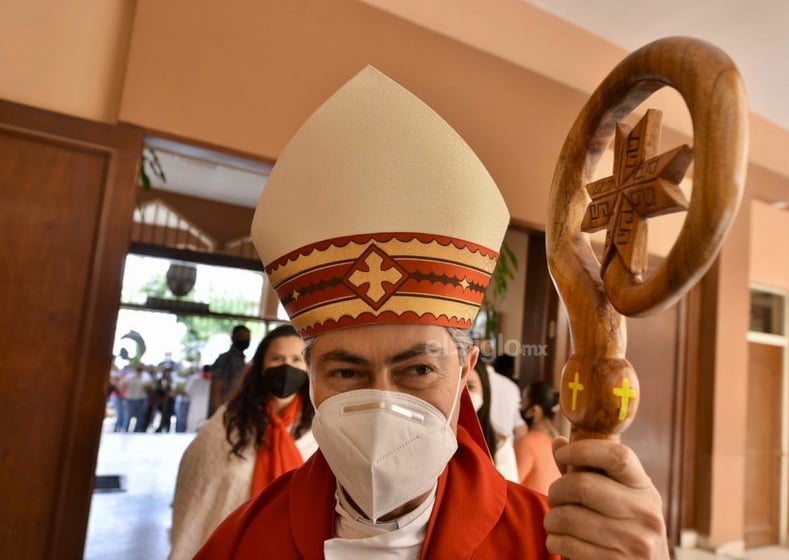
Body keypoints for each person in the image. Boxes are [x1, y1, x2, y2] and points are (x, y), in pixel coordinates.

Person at [195, 66, 668, 559]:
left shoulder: (544, 542)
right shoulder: (245, 540)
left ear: (465, 370)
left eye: (418, 369)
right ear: (311, 376)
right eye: (346, 371)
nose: (381, 404)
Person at [169, 324, 317, 560]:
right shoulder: (230, 419)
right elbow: (197, 486)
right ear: (261, 366)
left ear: (310, 367)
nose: (287, 367)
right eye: (277, 358)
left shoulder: (319, 426)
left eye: (296, 360)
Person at [466, 362, 519, 481]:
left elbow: (509, 492)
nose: (463, 395)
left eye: (470, 387)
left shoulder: (499, 443)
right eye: (457, 386)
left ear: (484, 391)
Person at [515, 381, 563, 494]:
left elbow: (512, 482)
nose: (520, 405)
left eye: (523, 400)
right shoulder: (557, 443)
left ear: (534, 411)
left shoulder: (527, 443)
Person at [208, 325, 251, 416]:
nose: (245, 339)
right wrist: (219, 414)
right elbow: (215, 388)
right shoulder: (225, 359)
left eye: (247, 337)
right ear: (233, 338)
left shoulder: (241, 361)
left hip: (234, 412)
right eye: (242, 336)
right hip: (223, 412)